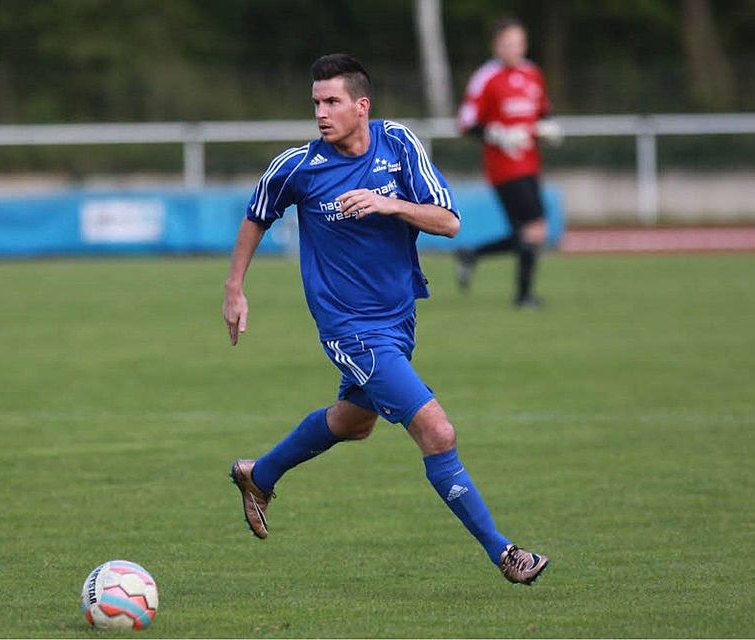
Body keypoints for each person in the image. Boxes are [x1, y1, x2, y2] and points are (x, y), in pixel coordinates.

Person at [222, 53, 549, 585]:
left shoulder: (398, 145)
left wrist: (389, 204)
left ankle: (259, 474)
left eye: (332, 102)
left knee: (355, 421)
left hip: (398, 319)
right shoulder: (298, 167)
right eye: (316, 103)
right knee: (438, 432)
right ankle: (505, 554)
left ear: (361, 106)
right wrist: (234, 289)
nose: (321, 113)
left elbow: (448, 222)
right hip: (350, 328)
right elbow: (256, 216)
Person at [455, 17, 562, 309]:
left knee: (525, 233)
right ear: (496, 46)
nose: (512, 48)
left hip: (530, 163)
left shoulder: (532, 74)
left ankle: (471, 254)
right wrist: (497, 135)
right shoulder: (486, 77)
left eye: (517, 43)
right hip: (504, 167)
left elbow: (543, 112)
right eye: (506, 43)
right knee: (535, 227)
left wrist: (548, 128)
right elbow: (465, 122)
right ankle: (523, 296)